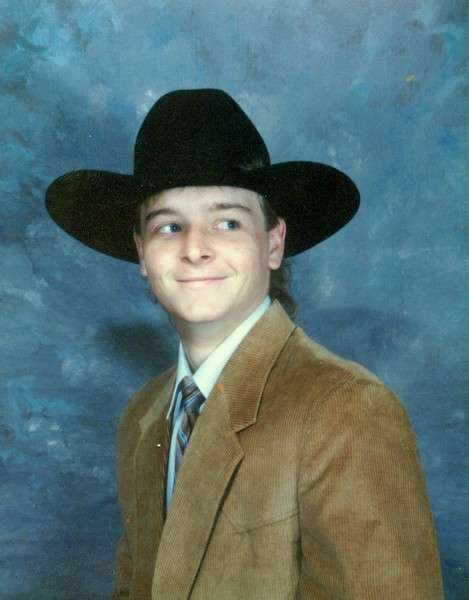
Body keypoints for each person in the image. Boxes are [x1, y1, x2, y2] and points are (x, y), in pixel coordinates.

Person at [46, 89, 443, 599]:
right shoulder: (143, 417)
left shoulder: (345, 410)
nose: (194, 249)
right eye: (169, 226)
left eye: (227, 222)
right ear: (142, 254)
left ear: (273, 244)